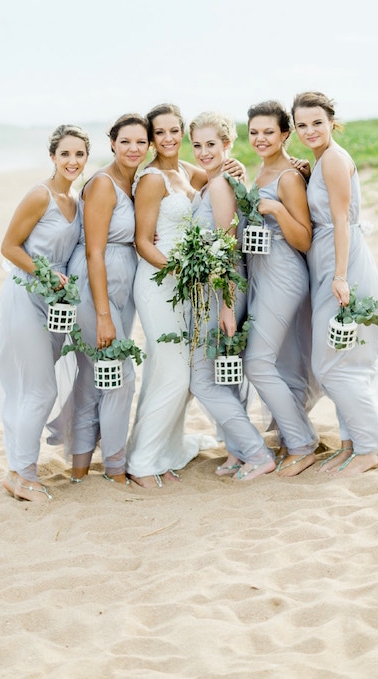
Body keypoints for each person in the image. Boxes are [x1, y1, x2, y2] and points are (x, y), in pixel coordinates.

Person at [292, 91, 378, 477]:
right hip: (328, 262)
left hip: (345, 263)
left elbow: (340, 221)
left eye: (316, 122)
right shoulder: (321, 161)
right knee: (338, 358)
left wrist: (339, 276)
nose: (309, 130)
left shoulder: (335, 160)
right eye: (301, 125)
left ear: (331, 121)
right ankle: (350, 444)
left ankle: (367, 448)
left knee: (334, 363)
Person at [126, 102, 244, 488]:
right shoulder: (151, 179)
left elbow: (218, 180)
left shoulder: (187, 172)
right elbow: (142, 242)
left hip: (186, 287)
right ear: (152, 138)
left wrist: (236, 167)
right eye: (159, 133)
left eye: (174, 131)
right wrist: (178, 270)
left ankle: (163, 450)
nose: (169, 138)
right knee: (175, 371)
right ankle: (143, 463)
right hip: (159, 282)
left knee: (168, 369)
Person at [47, 114, 149, 484]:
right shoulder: (104, 184)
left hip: (118, 288)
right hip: (94, 288)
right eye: (126, 142)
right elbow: (93, 253)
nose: (133, 148)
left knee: (92, 377)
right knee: (120, 377)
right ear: (112, 144)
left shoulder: (132, 181)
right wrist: (103, 314)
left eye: (141, 142)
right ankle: (116, 469)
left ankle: (78, 470)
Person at [0, 124, 89, 503]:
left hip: (53, 306)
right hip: (25, 297)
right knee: (41, 388)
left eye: (79, 154)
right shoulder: (41, 196)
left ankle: (15, 472)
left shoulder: (77, 202)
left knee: (32, 387)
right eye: (65, 154)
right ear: (52, 156)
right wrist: (47, 275)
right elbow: (9, 246)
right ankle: (26, 476)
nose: (72, 161)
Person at [188, 112, 275, 481]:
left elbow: (229, 245)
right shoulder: (211, 182)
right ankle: (238, 452)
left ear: (227, 145)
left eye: (212, 144)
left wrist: (225, 305)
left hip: (223, 288)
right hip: (213, 288)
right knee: (223, 375)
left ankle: (256, 451)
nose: (204, 152)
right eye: (198, 145)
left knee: (202, 379)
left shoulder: (222, 184)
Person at [242, 100, 319, 477]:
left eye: (268, 131)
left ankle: (303, 444)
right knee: (281, 361)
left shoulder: (287, 177)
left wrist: (275, 211)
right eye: (254, 132)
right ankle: (293, 439)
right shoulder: (261, 170)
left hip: (284, 273)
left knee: (257, 361)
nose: (260, 138)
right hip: (262, 273)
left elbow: (303, 239)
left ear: (285, 134)